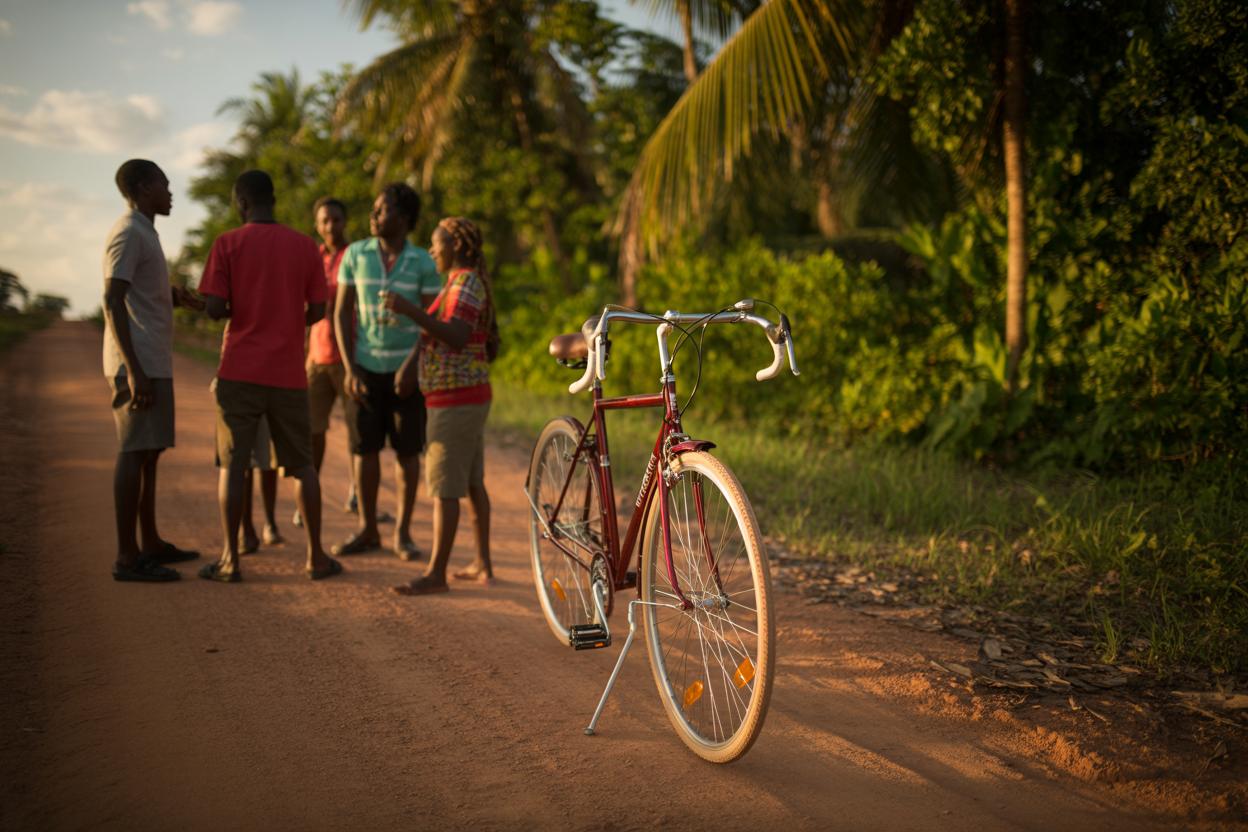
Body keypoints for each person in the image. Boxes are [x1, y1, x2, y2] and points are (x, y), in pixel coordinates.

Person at [197, 170, 342, 582]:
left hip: (239, 369)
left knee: (233, 465)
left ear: (241, 204)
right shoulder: (303, 247)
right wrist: (286, 320)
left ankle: (230, 560)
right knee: (302, 466)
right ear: (272, 199)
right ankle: (315, 557)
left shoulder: (227, 243)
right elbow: (317, 311)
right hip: (287, 372)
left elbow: (213, 307)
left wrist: (228, 307)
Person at [103, 159, 203, 582]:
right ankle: (128, 557)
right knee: (133, 450)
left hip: (151, 360)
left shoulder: (146, 232)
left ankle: (150, 543)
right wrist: (134, 370)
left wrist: (175, 295)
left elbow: (140, 294)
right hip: (138, 363)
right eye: (164, 183)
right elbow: (112, 299)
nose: (170, 191)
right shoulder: (128, 232)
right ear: (144, 187)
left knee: (149, 453)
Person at [386, 217, 494, 596]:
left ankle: (436, 574)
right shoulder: (457, 282)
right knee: (470, 481)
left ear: (458, 248)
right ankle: (482, 560)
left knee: (445, 488)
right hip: (463, 395)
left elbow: (457, 336)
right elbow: (441, 330)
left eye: (437, 243)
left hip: (456, 399)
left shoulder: (464, 283)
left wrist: (408, 309)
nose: (431, 250)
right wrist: (410, 367)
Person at [333, 183, 441, 561]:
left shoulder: (424, 263)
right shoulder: (355, 254)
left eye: (383, 211)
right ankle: (366, 529)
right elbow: (342, 313)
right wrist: (350, 369)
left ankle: (403, 533)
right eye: (375, 210)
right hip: (364, 368)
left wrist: (412, 365)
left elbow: (432, 321)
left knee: (408, 454)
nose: (374, 216)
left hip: (407, 374)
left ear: (405, 218)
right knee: (364, 451)